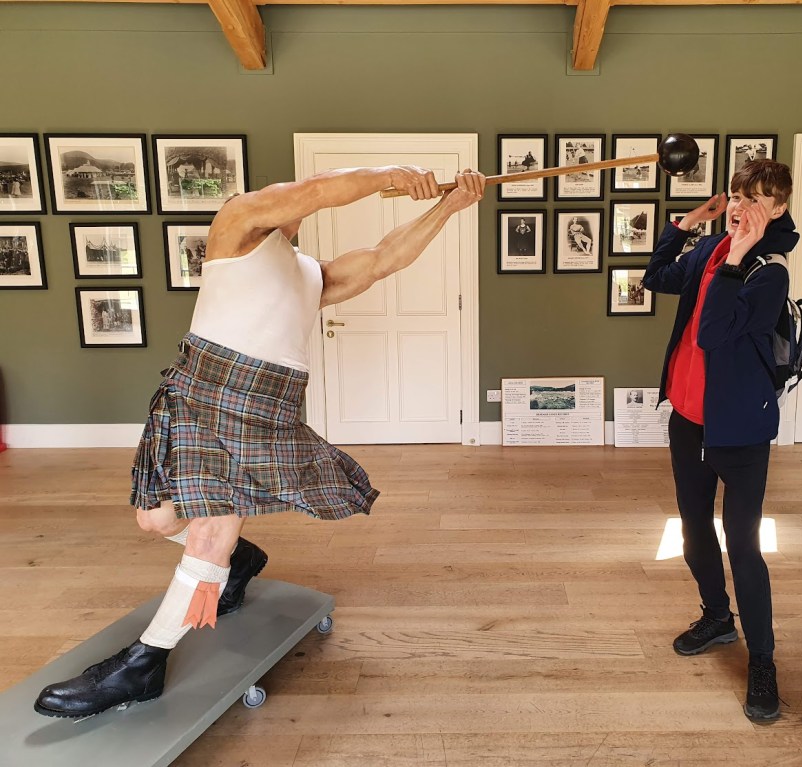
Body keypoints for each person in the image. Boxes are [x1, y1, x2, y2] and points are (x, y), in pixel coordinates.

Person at [34, 164, 485, 719]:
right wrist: (394, 176)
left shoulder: (312, 274)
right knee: (155, 521)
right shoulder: (237, 223)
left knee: (206, 537)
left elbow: (386, 257)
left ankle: (144, 665)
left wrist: (449, 205)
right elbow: (318, 190)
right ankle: (238, 561)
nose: (290, 204)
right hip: (199, 387)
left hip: (260, 406)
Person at [643, 160, 799, 723]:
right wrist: (688, 222)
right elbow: (654, 277)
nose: (740, 206)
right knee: (692, 532)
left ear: (778, 209)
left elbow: (711, 333)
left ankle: (763, 660)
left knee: (744, 547)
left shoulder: (769, 271)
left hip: (739, 433)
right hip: (688, 421)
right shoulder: (711, 249)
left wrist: (735, 254)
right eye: (736, 195)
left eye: (757, 199)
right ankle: (716, 617)